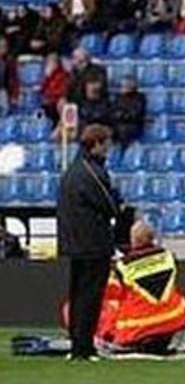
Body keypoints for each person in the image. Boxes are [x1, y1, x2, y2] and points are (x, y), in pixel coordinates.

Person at [57, 124, 128, 361]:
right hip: (92, 243)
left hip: (75, 242)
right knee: (90, 296)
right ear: (96, 143)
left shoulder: (73, 170)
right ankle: (84, 347)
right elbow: (110, 204)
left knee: (77, 294)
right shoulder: (92, 172)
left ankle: (77, 344)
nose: (108, 148)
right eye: (105, 143)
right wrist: (118, 203)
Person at [96, 221, 185, 352]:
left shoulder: (123, 266)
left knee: (104, 305)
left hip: (138, 328)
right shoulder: (169, 257)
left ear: (133, 239)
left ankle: (101, 340)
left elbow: (110, 293)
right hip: (173, 320)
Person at [109, 76, 146, 147]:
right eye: (123, 85)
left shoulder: (139, 98)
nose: (123, 87)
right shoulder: (118, 97)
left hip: (133, 125)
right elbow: (113, 111)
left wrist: (122, 114)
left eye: (126, 85)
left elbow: (135, 114)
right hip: (118, 123)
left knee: (123, 130)